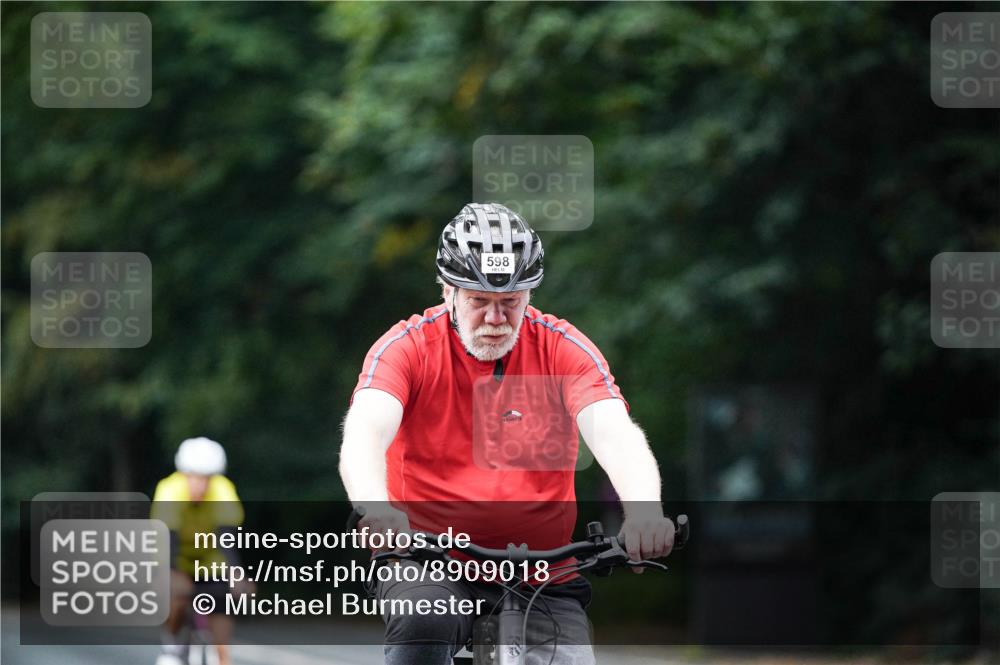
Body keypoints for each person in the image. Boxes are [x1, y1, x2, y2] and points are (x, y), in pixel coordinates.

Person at [339, 202, 676, 665]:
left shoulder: (562, 348)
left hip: (544, 575)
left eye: (510, 302)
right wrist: (375, 510)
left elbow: (616, 434)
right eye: (479, 301)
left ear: (529, 295)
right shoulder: (406, 348)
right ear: (448, 292)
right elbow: (365, 432)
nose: (496, 320)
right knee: (424, 620)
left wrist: (645, 511)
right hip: (431, 562)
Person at [151, 437, 248, 665]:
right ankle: (172, 644)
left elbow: (227, 536)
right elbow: (167, 540)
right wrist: (169, 573)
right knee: (176, 591)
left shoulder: (223, 489)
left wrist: (236, 573)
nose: (200, 485)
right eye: (195, 478)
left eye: (207, 478)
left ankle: (222, 655)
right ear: (184, 475)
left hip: (210, 560)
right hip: (175, 559)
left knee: (226, 599)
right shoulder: (169, 490)